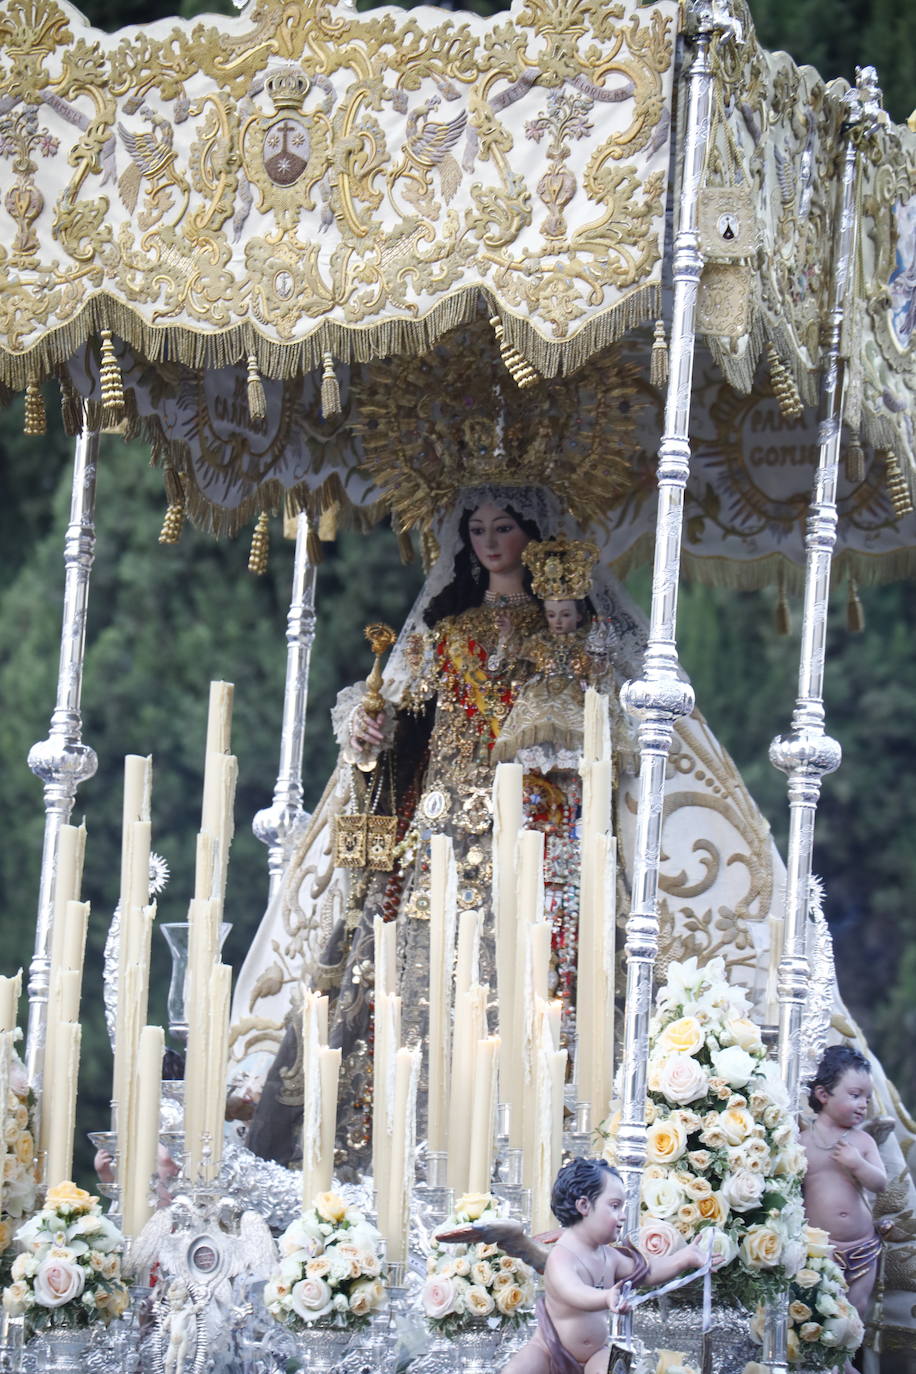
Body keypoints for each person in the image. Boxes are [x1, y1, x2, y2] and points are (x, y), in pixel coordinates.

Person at [243, 486, 645, 1171]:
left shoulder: (568, 638)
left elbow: (599, 727)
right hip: (442, 834)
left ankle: (530, 1145)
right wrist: (372, 729)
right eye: (478, 529)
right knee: (420, 979)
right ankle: (413, 1145)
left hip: (535, 831)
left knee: (534, 979)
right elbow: (405, 727)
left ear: (534, 535)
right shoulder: (447, 632)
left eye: (505, 527)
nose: (490, 542)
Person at [503, 1157, 717, 1374]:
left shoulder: (609, 1256)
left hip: (596, 1352)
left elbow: (648, 1273)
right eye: (615, 1206)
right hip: (549, 1350)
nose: (623, 1216)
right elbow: (573, 1292)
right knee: (517, 1370)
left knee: (613, 1368)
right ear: (584, 1205)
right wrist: (605, 1297)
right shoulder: (561, 1256)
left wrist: (685, 1258)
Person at [801, 1045, 888, 1325]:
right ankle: (827, 1364)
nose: (864, 1104)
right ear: (823, 1094)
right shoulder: (803, 1142)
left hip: (861, 1244)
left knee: (857, 1309)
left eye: (867, 1097)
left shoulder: (863, 1141)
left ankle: (848, 1363)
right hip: (820, 1250)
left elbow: (880, 1184)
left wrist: (858, 1165)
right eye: (855, 1095)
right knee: (822, 1309)